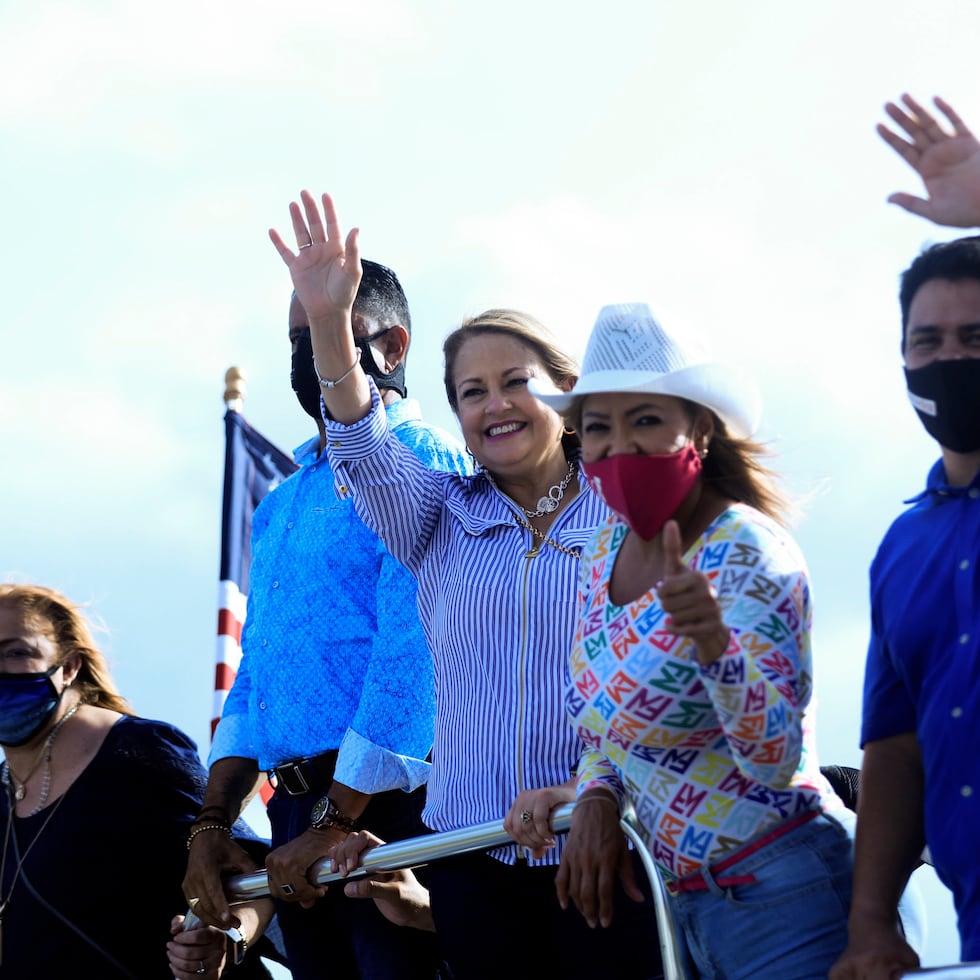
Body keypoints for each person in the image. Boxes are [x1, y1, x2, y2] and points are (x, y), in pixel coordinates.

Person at [267, 190, 665, 980]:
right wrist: (329, 325)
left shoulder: (631, 512)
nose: (493, 405)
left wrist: (600, 798)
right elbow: (361, 441)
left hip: (609, 843)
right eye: (470, 392)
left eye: (513, 382)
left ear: (565, 394)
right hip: (471, 861)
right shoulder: (435, 516)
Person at [522, 301, 860, 979]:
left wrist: (713, 646)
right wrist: (596, 797)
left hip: (790, 896)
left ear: (699, 430)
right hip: (685, 912)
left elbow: (775, 760)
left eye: (645, 419)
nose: (620, 446)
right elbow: (603, 725)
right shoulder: (600, 552)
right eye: (597, 428)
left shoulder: (751, 552)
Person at [182, 260, 471, 980]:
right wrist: (214, 823)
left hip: (391, 820)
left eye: (324, 332)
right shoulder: (280, 501)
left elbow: (414, 661)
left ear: (393, 347)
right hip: (296, 824)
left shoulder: (422, 459)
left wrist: (335, 823)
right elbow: (257, 673)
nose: (308, 359)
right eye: (295, 342)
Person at [830, 93, 980, 978]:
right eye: (927, 340)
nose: (949, 357)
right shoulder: (902, 546)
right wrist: (872, 922)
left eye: (976, 336)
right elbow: (891, 749)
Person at [0, 582, 282, 980]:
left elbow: (254, 872)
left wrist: (228, 938)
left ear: (69, 667)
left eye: (15, 653)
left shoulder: (137, 752)